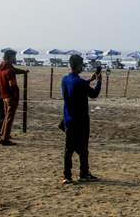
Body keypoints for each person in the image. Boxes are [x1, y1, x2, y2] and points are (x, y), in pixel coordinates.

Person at [61, 54, 102, 184]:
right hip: (81, 120)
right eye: (82, 65)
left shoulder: (65, 80)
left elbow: (76, 86)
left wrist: (90, 80)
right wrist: (99, 82)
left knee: (69, 149)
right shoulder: (79, 83)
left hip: (68, 118)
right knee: (83, 148)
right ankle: (83, 173)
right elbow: (94, 94)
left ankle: (67, 175)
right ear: (78, 65)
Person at [0, 50, 27, 145]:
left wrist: (24, 72)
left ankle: (2, 134)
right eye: (14, 56)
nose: (15, 58)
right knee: (9, 118)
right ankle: (5, 139)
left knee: (6, 117)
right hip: (10, 97)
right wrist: (16, 96)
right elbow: (13, 85)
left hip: (3, 96)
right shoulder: (9, 71)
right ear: (9, 57)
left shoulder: (1, 67)